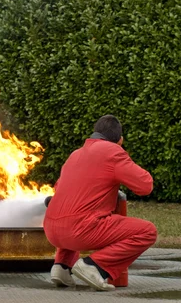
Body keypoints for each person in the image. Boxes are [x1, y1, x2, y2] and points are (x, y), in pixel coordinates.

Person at [43, 115, 157, 291]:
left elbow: (58, 190)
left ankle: (62, 267)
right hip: (80, 231)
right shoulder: (113, 152)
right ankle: (95, 266)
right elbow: (145, 185)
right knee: (147, 231)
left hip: (52, 230)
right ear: (119, 140)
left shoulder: (75, 154)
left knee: (75, 208)